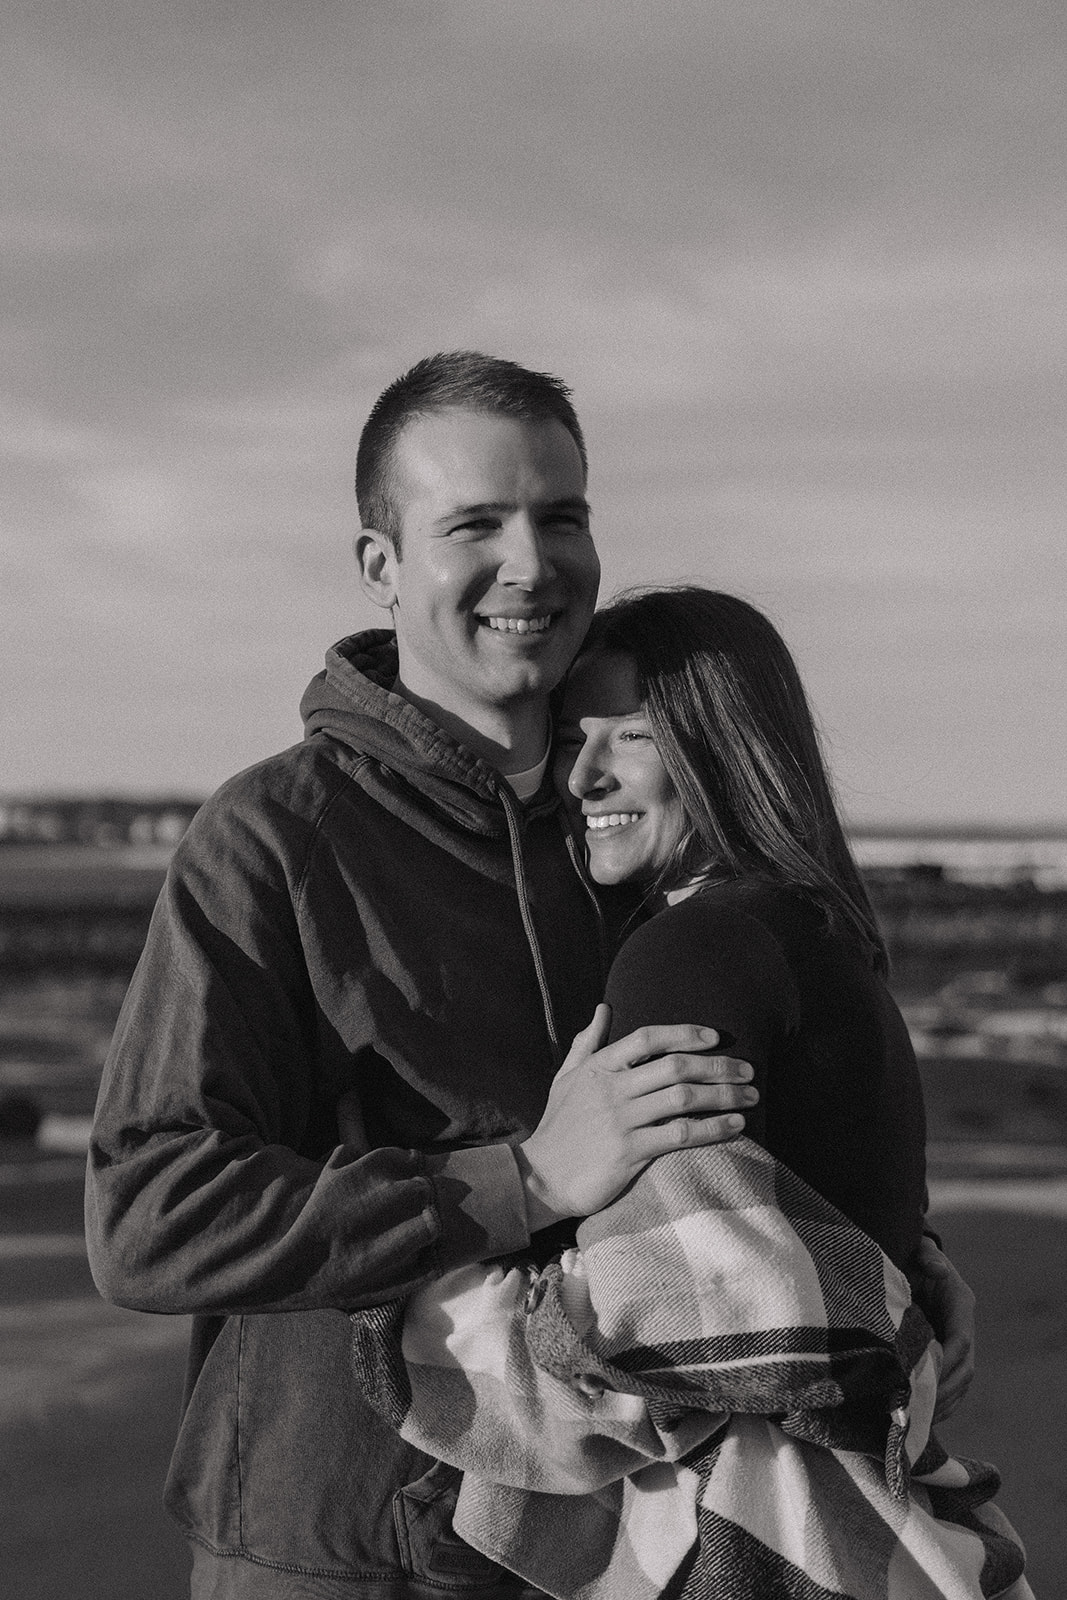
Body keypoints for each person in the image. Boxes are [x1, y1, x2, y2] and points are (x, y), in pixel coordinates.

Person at [86, 354, 974, 1599]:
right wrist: (524, 1178)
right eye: (474, 523)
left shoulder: (616, 833)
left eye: (561, 516)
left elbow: (734, 1110)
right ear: (381, 565)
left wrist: (887, 1263)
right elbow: (150, 1212)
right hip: (330, 1542)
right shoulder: (277, 836)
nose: (529, 560)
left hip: (605, 1541)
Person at [349, 588, 1030, 1599]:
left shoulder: (692, 949)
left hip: (750, 1540)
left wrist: (398, 1299)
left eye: (629, 734)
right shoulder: (817, 936)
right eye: (572, 734)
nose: (580, 774)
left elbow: (665, 1340)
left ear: (723, 748)